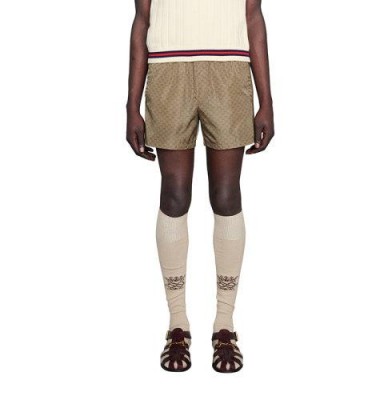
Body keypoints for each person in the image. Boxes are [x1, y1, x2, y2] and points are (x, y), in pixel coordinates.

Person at [126, 0, 274, 373]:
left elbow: (253, 17)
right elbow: (142, 21)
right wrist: (131, 106)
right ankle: (177, 324)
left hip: (229, 71)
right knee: (174, 195)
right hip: (167, 70)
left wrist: (266, 100)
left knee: (226, 196)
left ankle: (225, 325)